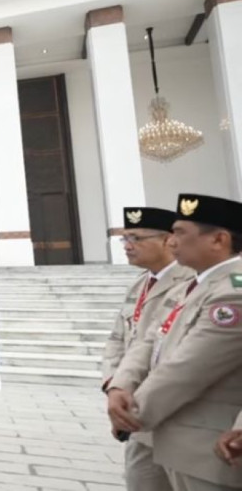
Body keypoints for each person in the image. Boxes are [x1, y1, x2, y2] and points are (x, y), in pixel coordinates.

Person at [107, 193, 242, 490]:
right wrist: (119, 385)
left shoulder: (233, 292)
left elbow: (189, 369)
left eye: (180, 233)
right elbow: (147, 340)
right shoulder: (192, 286)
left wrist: (130, 415)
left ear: (218, 240)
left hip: (206, 446)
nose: (172, 241)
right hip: (166, 430)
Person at [99, 207, 193, 491]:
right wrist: (115, 384)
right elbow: (118, 338)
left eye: (136, 238)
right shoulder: (141, 283)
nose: (127, 246)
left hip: (172, 410)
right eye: (125, 239)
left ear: (167, 240)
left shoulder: (189, 281)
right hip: (133, 410)